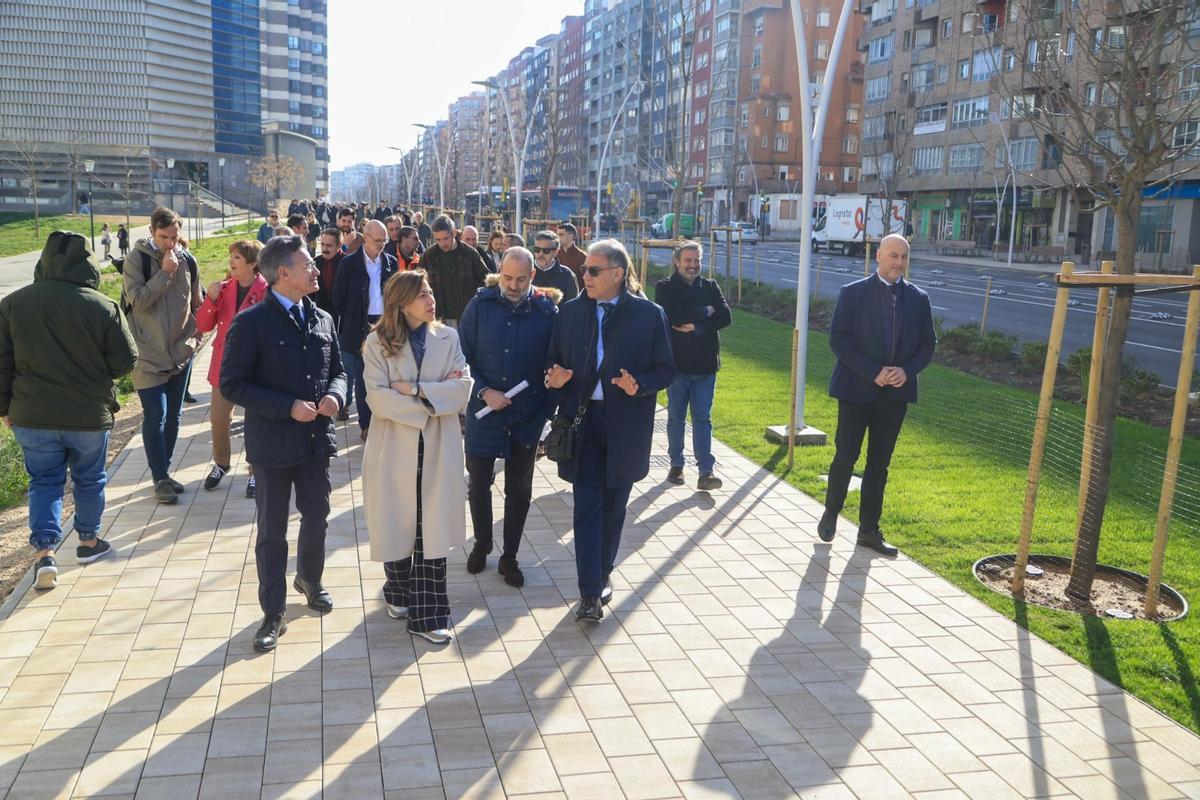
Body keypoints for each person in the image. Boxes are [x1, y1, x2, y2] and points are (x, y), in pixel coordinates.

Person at [220, 235, 347, 652]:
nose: (315, 270)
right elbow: (232, 384)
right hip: (272, 446)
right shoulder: (251, 323)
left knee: (318, 516)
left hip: (316, 442)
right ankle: (273, 610)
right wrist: (285, 406)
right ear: (283, 273)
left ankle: (310, 578)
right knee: (272, 531)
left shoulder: (323, 318)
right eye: (308, 264)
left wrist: (337, 395)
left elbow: (340, 372)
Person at [545, 240, 675, 622]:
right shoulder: (569, 313)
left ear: (618, 273)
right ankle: (589, 594)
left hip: (626, 426)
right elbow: (552, 359)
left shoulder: (650, 316)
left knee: (615, 508)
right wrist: (557, 374)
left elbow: (667, 369)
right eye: (585, 269)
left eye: (593, 271)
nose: (584, 276)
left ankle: (602, 575)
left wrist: (641, 384)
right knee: (587, 506)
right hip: (582, 423)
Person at [0, 231, 137, 589]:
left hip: (32, 414)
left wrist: (4, 408)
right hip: (88, 414)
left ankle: (45, 553)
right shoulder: (102, 305)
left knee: (44, 482)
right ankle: (89, 543)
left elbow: (2, 363)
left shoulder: (12, 304)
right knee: (89, 479)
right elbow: (126, 360)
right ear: (87, 263)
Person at [361, 270, 471, 644]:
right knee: (399, 524)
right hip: (394, 446)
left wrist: (415, 391)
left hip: (438, 447)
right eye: (421, 293)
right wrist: (432, 402)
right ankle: (397, 591)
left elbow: (462, 390)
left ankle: (429, 617)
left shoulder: (448, 337)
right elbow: (377, 399)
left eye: (430, 291)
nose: (430, 299)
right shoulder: (376, 343)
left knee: (430, 530)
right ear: (400, 301)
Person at [818, 234, 936, 556]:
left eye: (904, 257)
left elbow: (928, 345)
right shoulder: (852, 293)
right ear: (879, 255)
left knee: (879, 464)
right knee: (846, 455)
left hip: (895, 396)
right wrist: (873, 371)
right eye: (894, 256)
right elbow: (839, 341)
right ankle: (831, 513)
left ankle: (868, 530)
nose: (899, 263)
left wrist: (906, 371)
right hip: (856, 390)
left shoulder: (919, 298)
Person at [460, 247, 561, 588]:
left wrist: (545, 413)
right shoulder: (480, 305)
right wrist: (483, 390)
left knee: (519, 488)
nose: (513, 285)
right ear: (498, 272)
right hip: (484, 412)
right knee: (478, 485)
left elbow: (555, 363)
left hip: (526, 417)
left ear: (533, 277)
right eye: (507, 278)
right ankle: (482, 542)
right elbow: (462, 358)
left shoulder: (547, 312)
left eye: (520, 279)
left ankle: (510, 556)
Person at [123, 207, 201, 504]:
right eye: (164, 236)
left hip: (181, 351)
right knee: (156, 415)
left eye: (175, 237)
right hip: (147, 353)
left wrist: (197, 333)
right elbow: (139, 301)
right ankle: (159, 478)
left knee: (174, 418)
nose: (170, 243)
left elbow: (196, 302)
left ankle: (164, 474)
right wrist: (165, 274)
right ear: (152, 232)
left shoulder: (188, 260)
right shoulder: (137, 260)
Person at [654, 241, 731, 491]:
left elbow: (725, 316)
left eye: (697, 260)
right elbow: (669, 314)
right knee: (676, 418)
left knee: (702, 418)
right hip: (677, 366)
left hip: (706, 366)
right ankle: (676, 465)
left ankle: (706, 472)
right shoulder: (664, 287)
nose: (693, 265)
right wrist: (705, 310)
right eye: (688, 260)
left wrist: (698, 327)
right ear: (677, 262)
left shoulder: (710, 286)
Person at [195, 239, 268, 497]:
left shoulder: (266, 290)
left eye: (237, 257)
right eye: (231, 257)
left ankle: (255, 471)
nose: (231, 262)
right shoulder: (224, 288)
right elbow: (204, 325)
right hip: (224, 366)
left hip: (254, 368)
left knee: (254, 421)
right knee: (218, 419)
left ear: (252, 263)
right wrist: (210, 299)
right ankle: (221, 463)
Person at [334, 219, 398, 439]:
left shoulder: (390, 262)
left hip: (386, 323)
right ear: (366, 237)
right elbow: (338, 299)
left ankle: (387, 420)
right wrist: (353, 318)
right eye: (378, 240)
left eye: (385, 240)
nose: (381, 244)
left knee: (389, 374)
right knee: (364, 378)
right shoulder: (349, 264)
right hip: (360, 324)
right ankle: (366, 423)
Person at [421, 215, 489, 328]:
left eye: (445, 238)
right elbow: (418, 286)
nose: (442, 243)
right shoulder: (429, 256)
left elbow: (486, 281)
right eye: (438, 239)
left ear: (454, 233)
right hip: (437, 319)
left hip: (466, 318)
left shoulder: (469, 254)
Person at [531, 230, 580, 302]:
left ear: (556, 252)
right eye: (537, 249)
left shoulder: (567, 275)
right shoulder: (525, 271)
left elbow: (573, 305)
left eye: (546, 251)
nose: (540, 254)